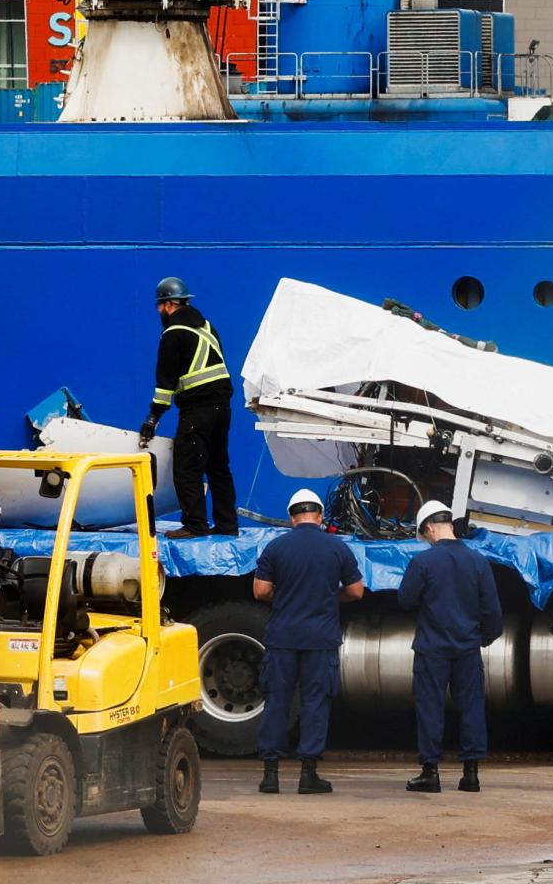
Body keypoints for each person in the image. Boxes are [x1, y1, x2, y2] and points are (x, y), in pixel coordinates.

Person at [252, 489, 365, 795]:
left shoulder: (275, 547)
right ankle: (308, 774)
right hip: (320, 639)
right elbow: (356, 591)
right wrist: (330, 597)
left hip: (282, 638)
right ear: (320, 516)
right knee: (316, 702)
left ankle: (270, 775)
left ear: (292, 517)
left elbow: (260, 591)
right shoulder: (336, 548)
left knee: (277, 701)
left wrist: (285, 596)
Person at [398, 500, 503, 794]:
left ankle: (430, 773)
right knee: (471, 706)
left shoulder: (424, 562)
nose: (427, 540)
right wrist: (484, 638)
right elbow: (492, 612)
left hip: (432, 648)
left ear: (430, 528)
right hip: (467, 648)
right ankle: (471, 775)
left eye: (425, 534)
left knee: (430, 707)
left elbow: (405, 600)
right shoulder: (478, 561)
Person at [138, 277, 238, 538]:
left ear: (169, 304)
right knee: (218, 467)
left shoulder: (173, 334)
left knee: (186, 468)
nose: (159, 311)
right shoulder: (206, 327)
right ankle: (227, 526)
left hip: (198, 411)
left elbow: (165, 385)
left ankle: (195, 525)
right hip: (222, 408)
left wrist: (152, 419)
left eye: (160, 306)